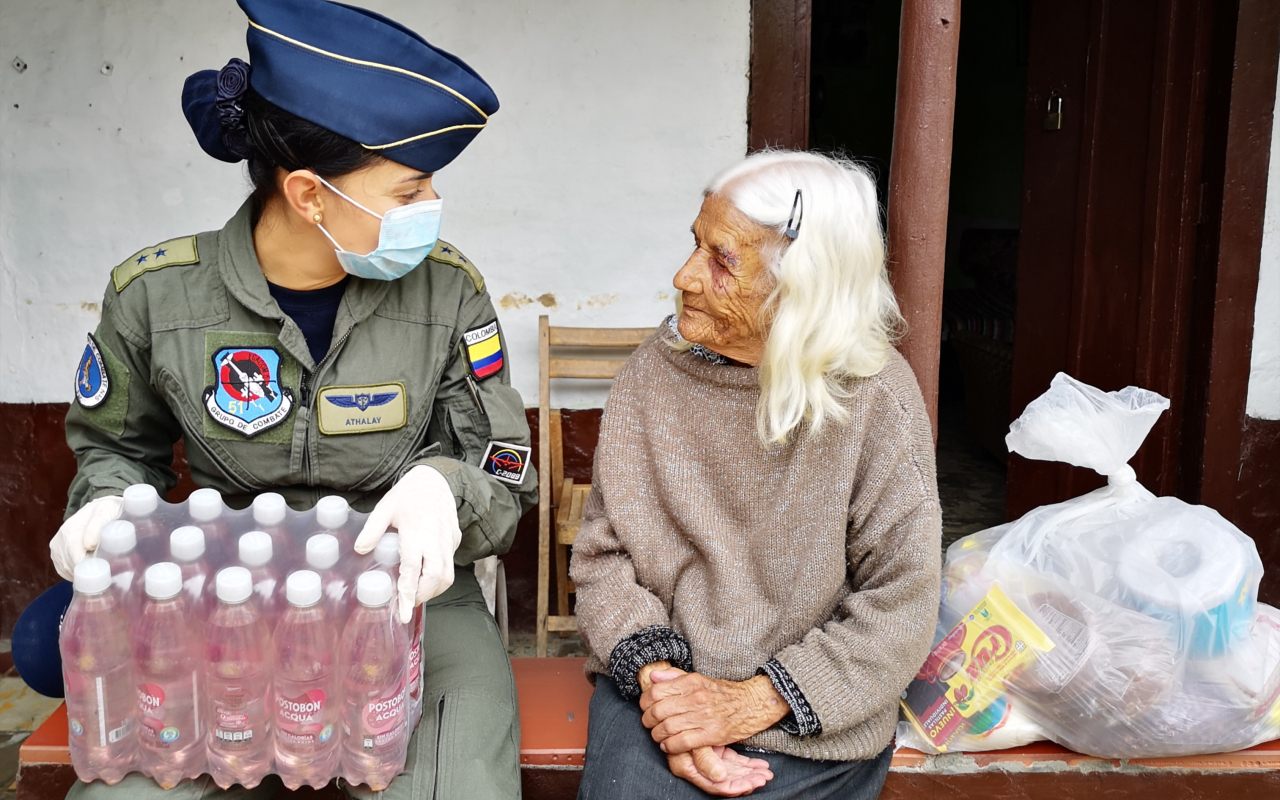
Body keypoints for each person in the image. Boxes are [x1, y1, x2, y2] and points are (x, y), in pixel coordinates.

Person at [47, 0, 534, 798]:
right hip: (220, 597)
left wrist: (444, 488)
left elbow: (503, 471)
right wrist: (105, 505)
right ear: (309, 194)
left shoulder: (447, 293)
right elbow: (114, 449)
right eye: (409, 190)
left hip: (409, 596)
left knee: (456, 783)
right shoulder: (157, 296)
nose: (430, 208)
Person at [570, 151, 942, 799]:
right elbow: (603, 558)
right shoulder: (652, 374)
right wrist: (667, 692)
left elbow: (901, 601)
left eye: (722, 260)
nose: (684, 276)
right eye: (695, 244)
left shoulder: (877, 397)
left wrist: (757, 701)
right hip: (658, 692)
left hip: (813, 718)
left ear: (804, 286)